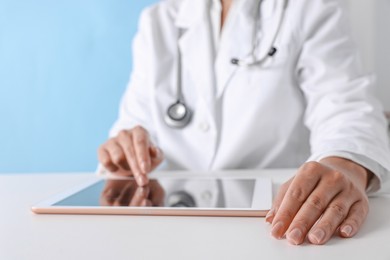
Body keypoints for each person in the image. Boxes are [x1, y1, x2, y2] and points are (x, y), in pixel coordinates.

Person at [97, 0, 390, 245]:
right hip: (172, 226)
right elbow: (135, 123)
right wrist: (125, 153)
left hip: (279, 220)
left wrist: (344, 164)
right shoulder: (158, 20)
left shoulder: (310, 7)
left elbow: (345, 106)